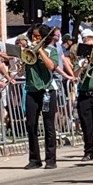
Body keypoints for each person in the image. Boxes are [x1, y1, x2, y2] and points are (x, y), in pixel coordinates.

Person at [23, 24, 59, 169]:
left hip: (47, 90)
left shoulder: (51, 50)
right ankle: (34, 159)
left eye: (37, 36)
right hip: (32, 91)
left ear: (44, 37)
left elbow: (52, 66)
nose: (34, 38)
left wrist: (40, 51)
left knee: (49, 125)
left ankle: (51, 159)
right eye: (33, 36)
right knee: (31, 125)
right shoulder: (27, 50)